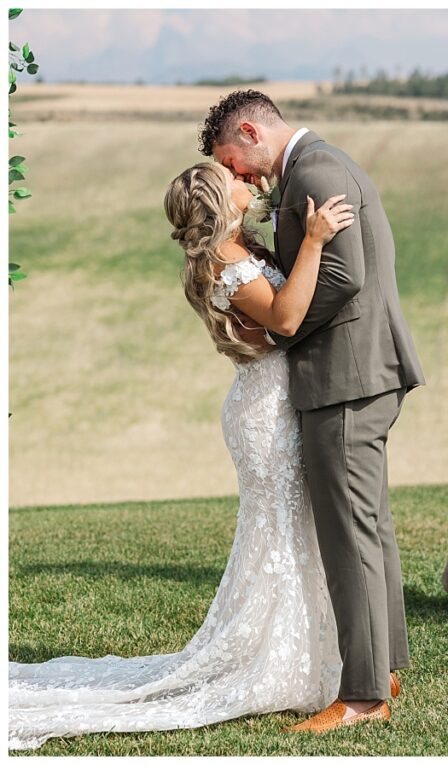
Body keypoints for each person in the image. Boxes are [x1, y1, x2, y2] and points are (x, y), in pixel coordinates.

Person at [9, 162, 358, 750]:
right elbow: (287, 316)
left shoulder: (238, 244)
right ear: (220, 203)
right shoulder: (224, 265)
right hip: (265, 411)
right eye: (236, 181)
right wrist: (317, 241)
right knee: (278, 533)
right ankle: (280, 663)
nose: (249, 182)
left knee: (287, 530)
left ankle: (315, 654)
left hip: (271, 399)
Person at [202, 90, 425, 731]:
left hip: (345, 374)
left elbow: (345, 275)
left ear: (249, 130)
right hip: (356, 370)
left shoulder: (314, 173)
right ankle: (381, 671)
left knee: (348, 529)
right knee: (369, 523)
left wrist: (278, 332)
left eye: (233, 161)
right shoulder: (316, 166)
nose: (240, 177)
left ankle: (361, 697)